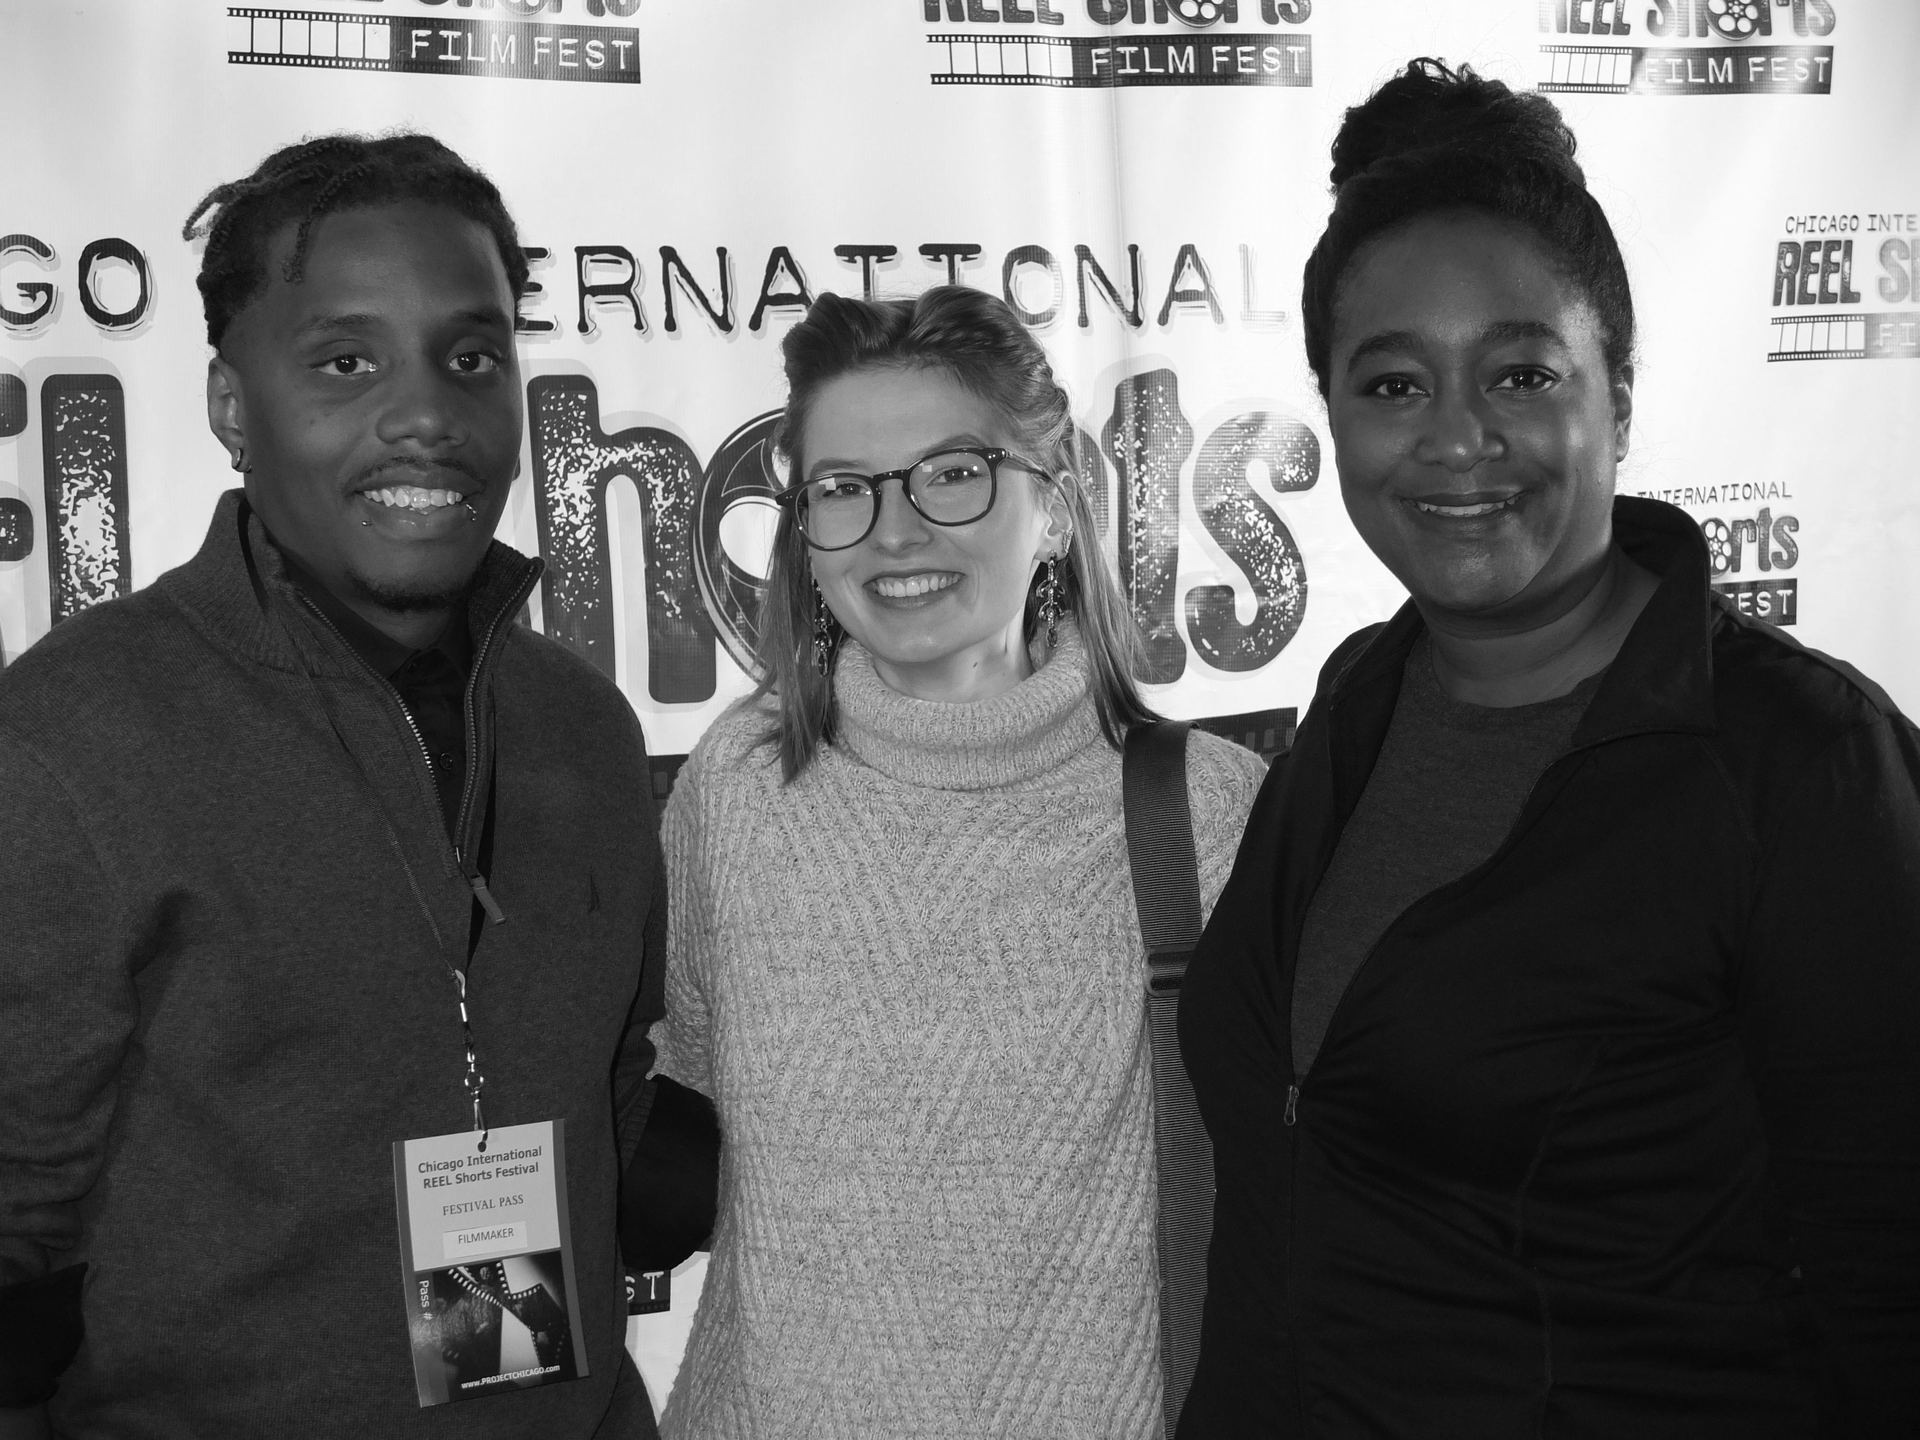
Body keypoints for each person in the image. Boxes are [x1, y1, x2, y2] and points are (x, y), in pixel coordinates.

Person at [1178, 58, 1920, 1438]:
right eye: (1393, 383)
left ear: (1617, 398)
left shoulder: (1804, 763)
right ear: (1333, 413)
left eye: (1521, 372)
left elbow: (1887, 1282)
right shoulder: (1358, 697)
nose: (1457, 437)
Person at [0, 135, 666, 1438]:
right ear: (230, 403)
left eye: (470, 358)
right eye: (346, 361)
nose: (425, 414)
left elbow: (615, 1093)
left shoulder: (584, 727)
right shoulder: (72, 737)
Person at [649, 285, 1268, 1438]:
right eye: (844, 489)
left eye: (951, 473)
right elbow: (683, 1101)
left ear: (1055, 505)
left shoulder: (1213, 817)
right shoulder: (736, 790)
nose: (895, 531)